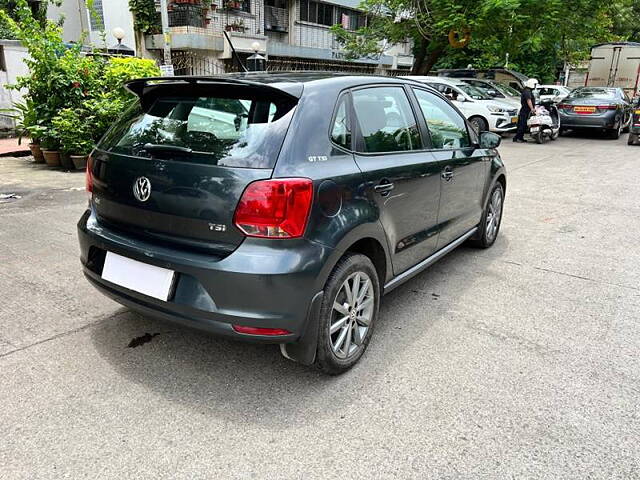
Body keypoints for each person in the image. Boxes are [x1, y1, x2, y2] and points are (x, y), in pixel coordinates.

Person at [513, 78, 538, 143]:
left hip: (525, 110)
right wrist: (532, 109)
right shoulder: (527, 91)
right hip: (525, 110)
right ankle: (519, 138)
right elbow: (528, 100)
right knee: (522, 124)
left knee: (522, 124)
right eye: (535, 84)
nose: (535, 86)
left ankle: (517, 138)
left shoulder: (527, 90)